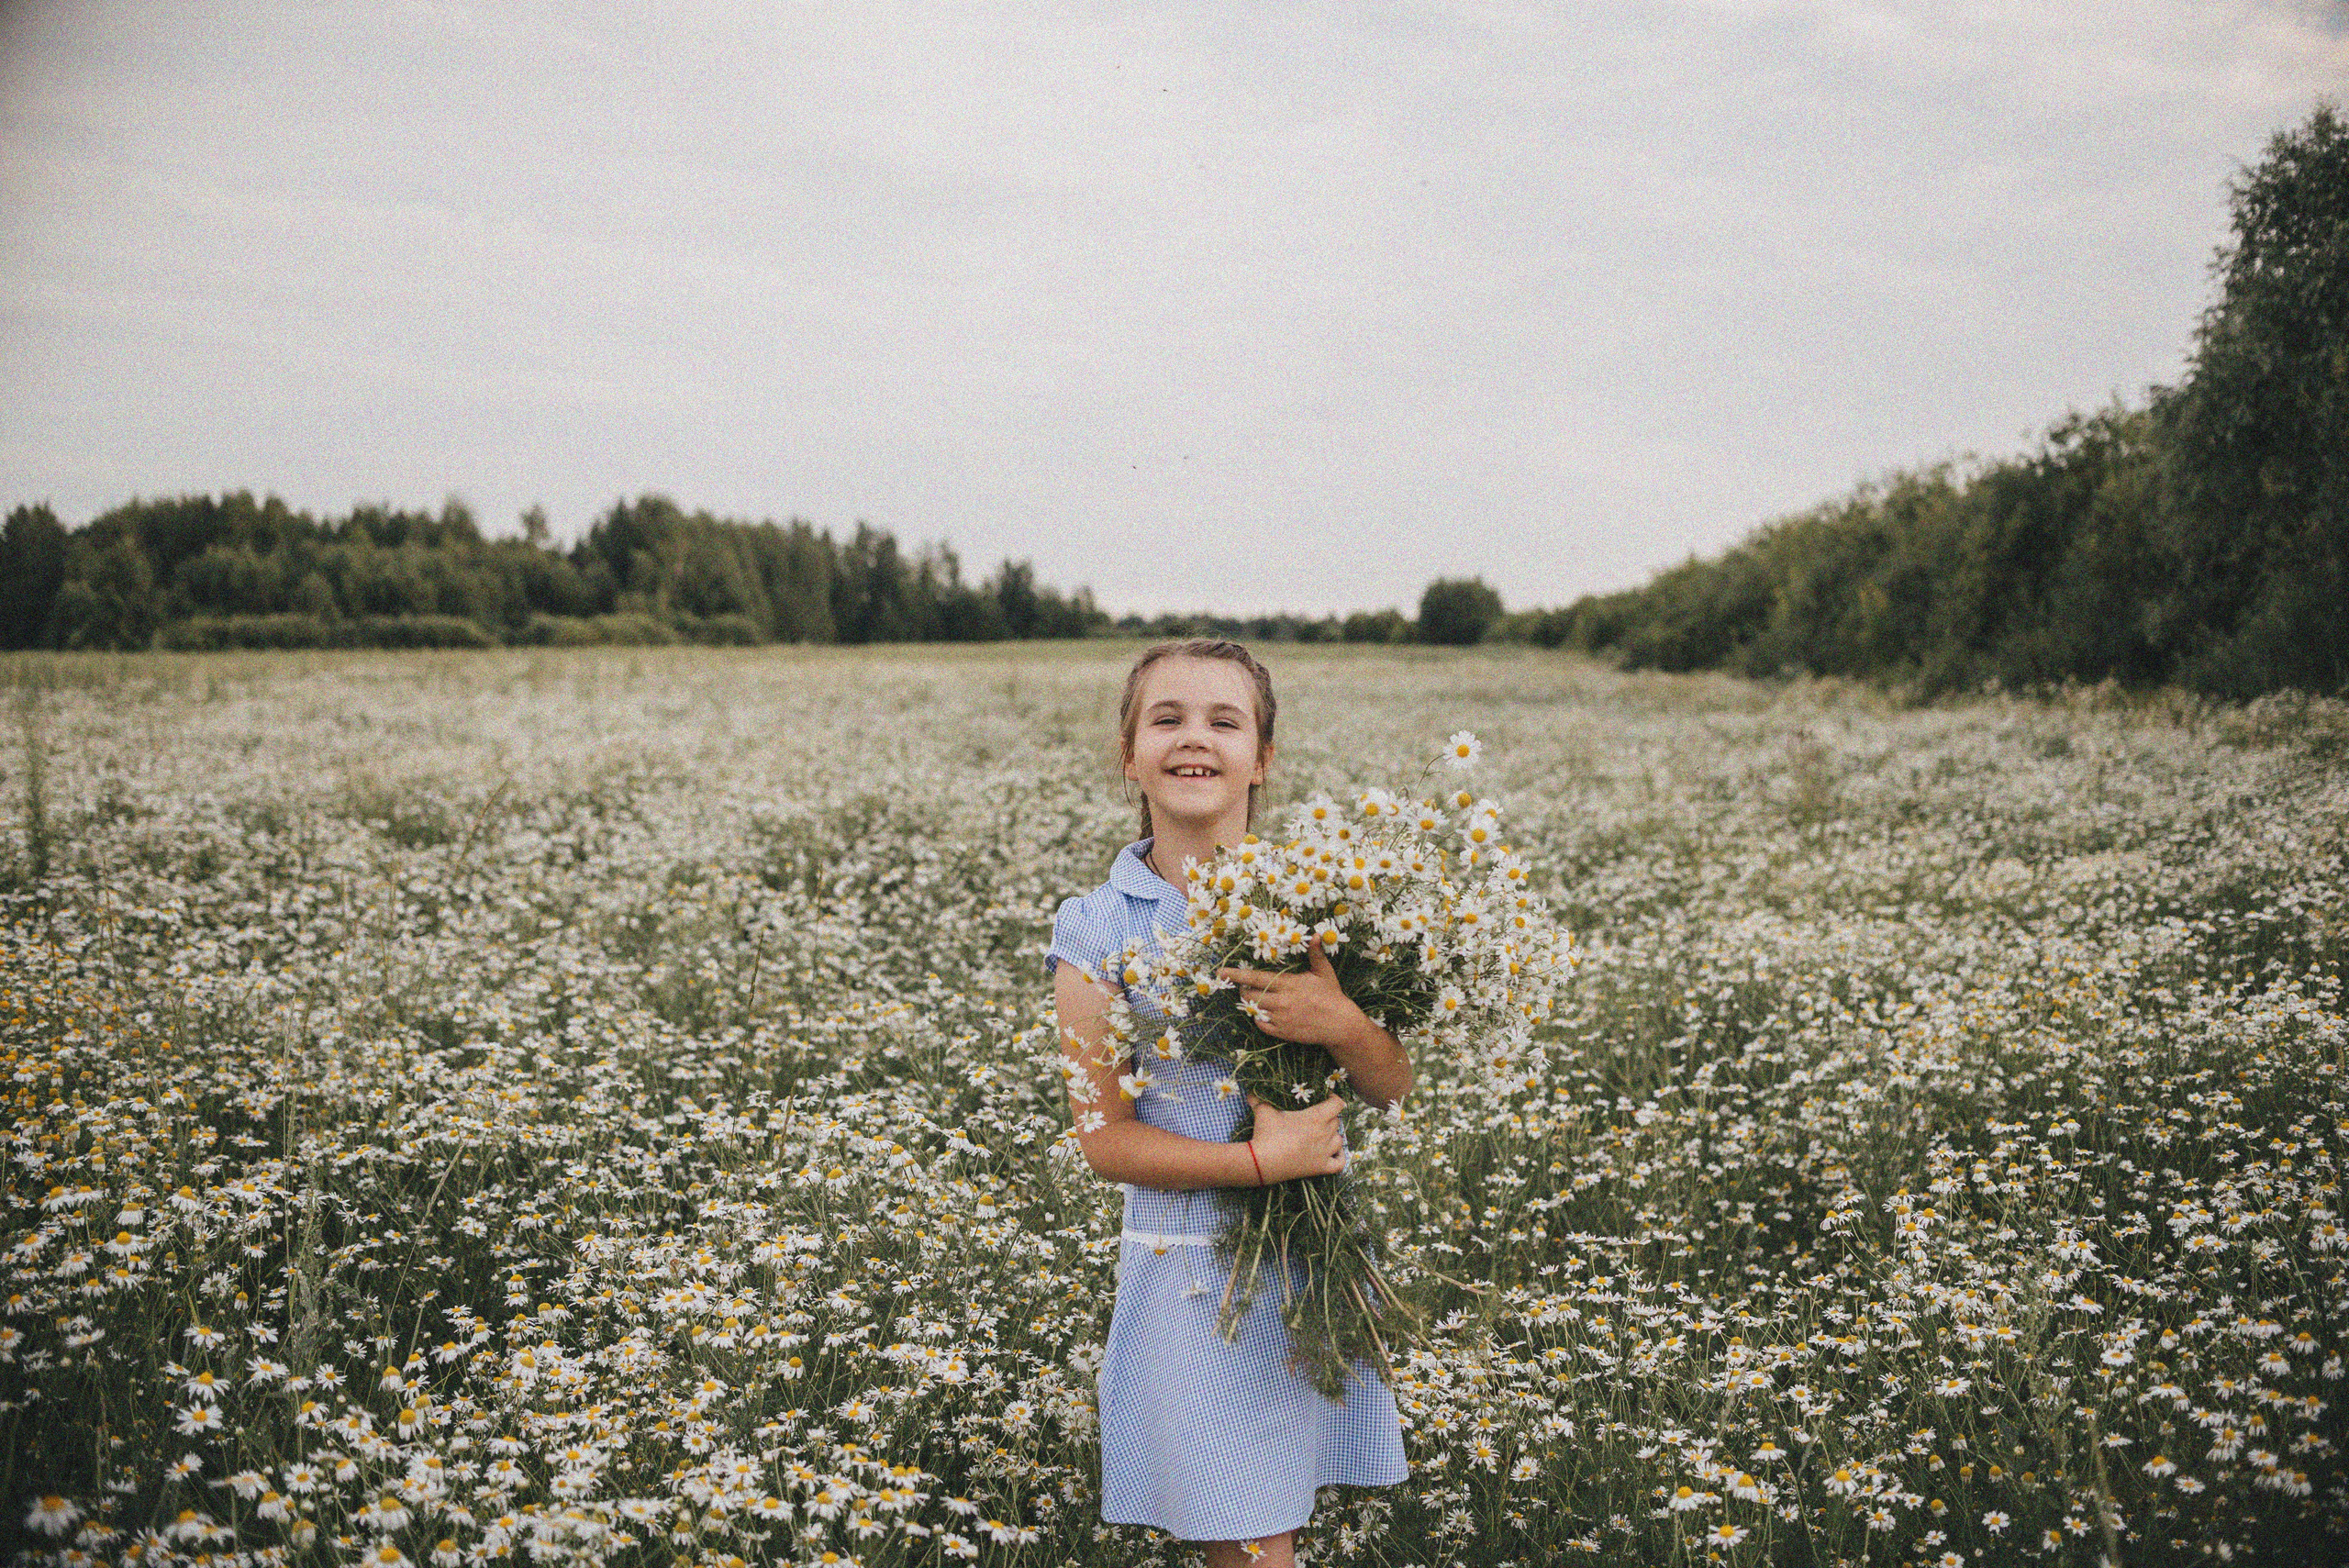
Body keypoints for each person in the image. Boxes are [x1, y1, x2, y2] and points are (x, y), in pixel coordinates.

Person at [1048, 639, 1411, 1568]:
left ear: (1263, 758)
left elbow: (1390, 1082)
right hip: (1194, 1272)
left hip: (1308, 1258)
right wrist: (1258, 1161)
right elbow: (1106, 1138)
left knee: (1266, 1530)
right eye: (1165, 719)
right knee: (1250, 1541)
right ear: (1128, 755)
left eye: (1223, 719)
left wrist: (1338, 1018)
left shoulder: (1318, 902)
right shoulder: (1098, 923)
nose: (1193, 738)